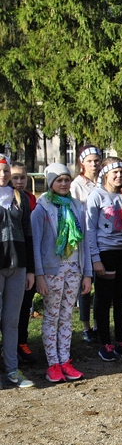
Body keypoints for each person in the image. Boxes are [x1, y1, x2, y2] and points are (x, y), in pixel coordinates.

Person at [32, 164, 92, 383]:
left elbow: (84, 241)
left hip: (74, 268)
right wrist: (39, 274)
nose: (64, 184)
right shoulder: (42, 208)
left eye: (67, 179)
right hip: (52, 270)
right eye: (59, 180)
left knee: (67, 316)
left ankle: (65, 360)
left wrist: (87, 273)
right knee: (52, 315)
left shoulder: (77, 206)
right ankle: (53, 363)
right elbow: (36, 245)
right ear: (51, 183)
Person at [87, 157, 122, 361]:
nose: (119, 176)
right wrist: (95, 258)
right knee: (103, 298)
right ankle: (104, 342)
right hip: (105, 252)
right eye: (114, 172)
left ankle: (120, 341)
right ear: (105, 174)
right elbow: (90, 229)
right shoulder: (97, 196)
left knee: (121, 298)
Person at [0, 154, 35, 388]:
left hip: (18, 265)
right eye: (0, 171)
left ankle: (12, 369)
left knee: (12, 321)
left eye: (5, 171)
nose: (3, 175)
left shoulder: (19, 197)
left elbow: (28, 234)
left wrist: (31, 270)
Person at [71, 144, 102, 343]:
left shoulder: (102, 181)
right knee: (85, 284)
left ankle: (99, 324)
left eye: (96, 160)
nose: (93, 164)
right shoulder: (77, 184)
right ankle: (85, 326)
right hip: (84, 236)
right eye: (89, 161)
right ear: (82, 162)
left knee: (101, 284)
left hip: (102, 236)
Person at [10, 162, 37, 364]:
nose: (19, 181)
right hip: (8, 258)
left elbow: (29, 234)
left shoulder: (30, 199)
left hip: (27, 257)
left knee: (25, 304)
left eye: (22, 177)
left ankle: (21, 342)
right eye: (15, 177)